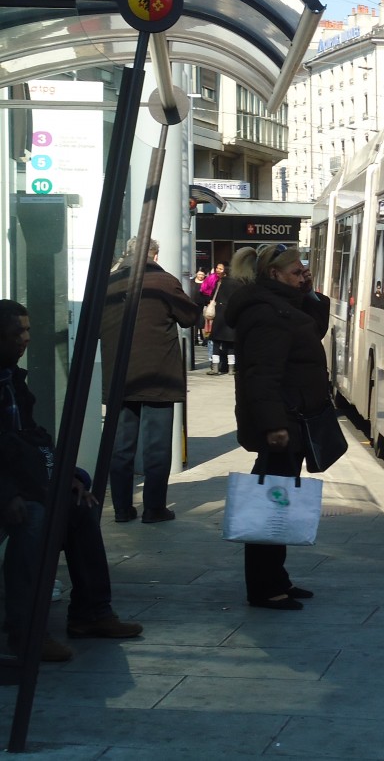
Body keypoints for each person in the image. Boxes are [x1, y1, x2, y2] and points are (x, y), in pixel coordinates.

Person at [0, 300, 143, 662]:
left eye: (29, 330)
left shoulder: (13, 380)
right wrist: (8, 494)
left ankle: (92, 613)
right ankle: (26, 632)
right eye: (18, 332)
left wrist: (68, 476)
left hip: (22, 482)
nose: (26, 339)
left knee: (79, 509)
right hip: (9, 489)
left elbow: (33, 437)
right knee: (34, 522)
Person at [226, 244, 331, 610]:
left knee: (276, 503)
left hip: (292, 418)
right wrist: (274, 425)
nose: (304, 277)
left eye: (305, 272)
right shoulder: (267, 313)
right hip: (283, 422)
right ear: (274, 275)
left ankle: (276, 579)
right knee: (270, 506)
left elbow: (313, 330)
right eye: (297, 273)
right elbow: (262, 375)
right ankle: (265, 587)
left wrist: (311, 293)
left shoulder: (284, 306)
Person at [101, 237, 202, 523]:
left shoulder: (107, 282)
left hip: (119, 376)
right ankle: (154, 508)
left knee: (121, 446)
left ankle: (122, 508)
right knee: (156, 447)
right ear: (154, 255)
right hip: (158, 377)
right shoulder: (163, 281)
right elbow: (189, 317)